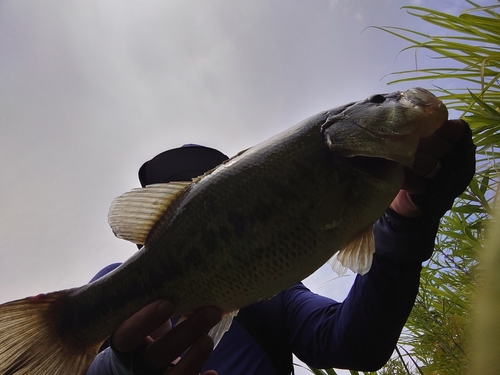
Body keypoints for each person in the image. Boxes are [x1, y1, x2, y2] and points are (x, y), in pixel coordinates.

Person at [86, 119, 476, 375]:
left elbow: (356, 343)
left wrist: (403, 225)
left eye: (218, 192)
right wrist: (116, 368)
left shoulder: (272, 297)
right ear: (145, 230)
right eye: (178, 201)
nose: (208, 217)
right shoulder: (111, 289)